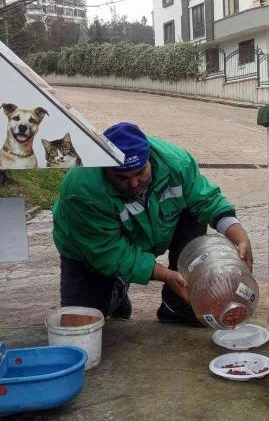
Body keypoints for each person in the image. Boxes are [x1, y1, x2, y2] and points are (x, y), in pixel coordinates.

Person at [51, 122, 252, 326]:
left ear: (150, 159)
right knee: (82, 323)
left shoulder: (177, 163)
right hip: (89, 251)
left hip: (155, 229)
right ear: (105, 169)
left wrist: (238, 235)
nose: (133, 184)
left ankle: (177, 307)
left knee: (193, 210)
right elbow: (108, 251)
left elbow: (206, 200)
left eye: (140, 173)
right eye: (121, 177)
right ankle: (116, 289)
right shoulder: (81, 190)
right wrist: (165, 275)